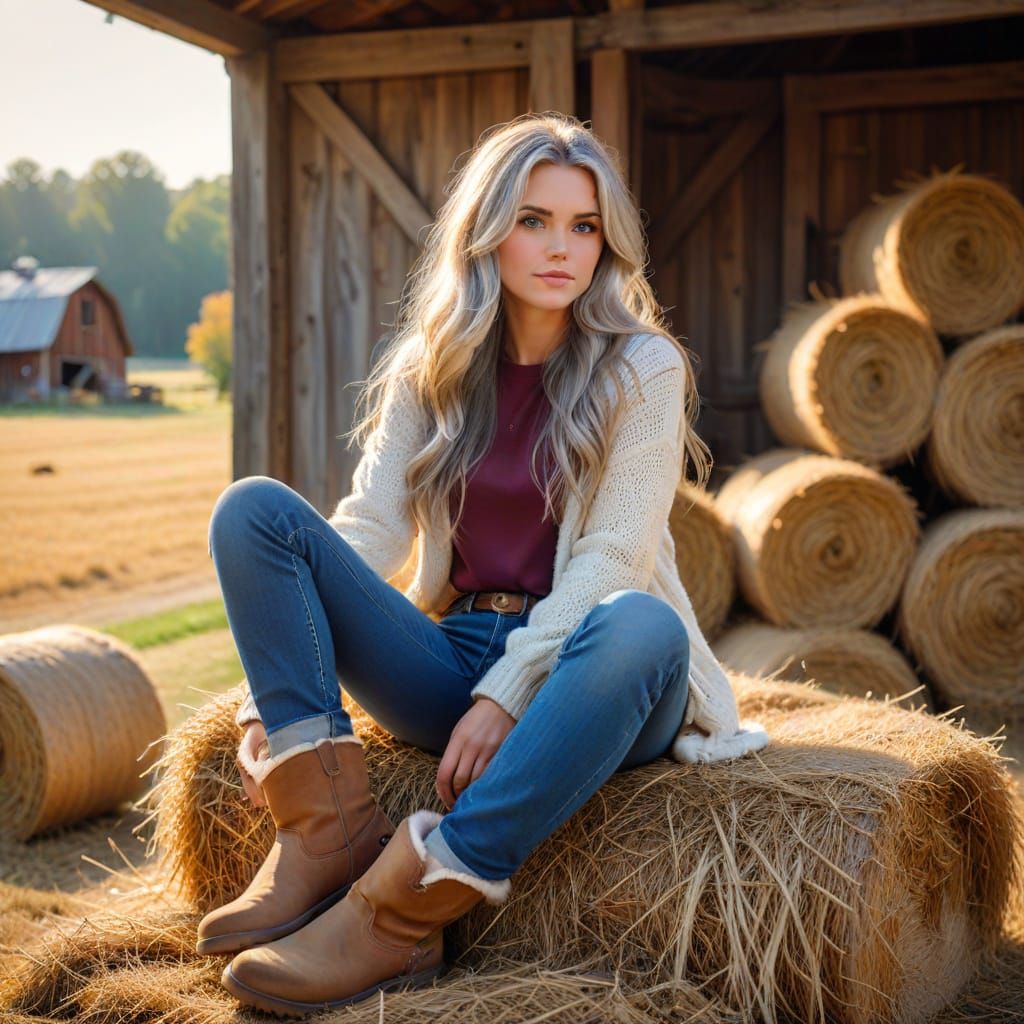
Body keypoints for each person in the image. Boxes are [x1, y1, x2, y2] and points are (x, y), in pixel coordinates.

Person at [198, 111, 769, 1017]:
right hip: (453, 654)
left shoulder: (643, 367)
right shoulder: (432, 367)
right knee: (254, 512)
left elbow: (615, 557)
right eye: (535, 219)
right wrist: (276, 702)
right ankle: (327, 831)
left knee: (642, 618)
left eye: (584, 226)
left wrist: (513, 688)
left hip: (596, 675)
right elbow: (370, 529)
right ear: (487, 230)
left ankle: (401, 913)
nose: (562, 248)